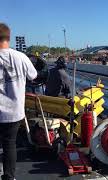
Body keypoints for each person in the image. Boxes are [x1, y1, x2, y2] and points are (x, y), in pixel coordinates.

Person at [0, 23, 37, 180]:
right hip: (14, 113)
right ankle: (9, 177)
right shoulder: (21, 57)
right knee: (9, 145)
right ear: (8, 37)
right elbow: (34, 75)